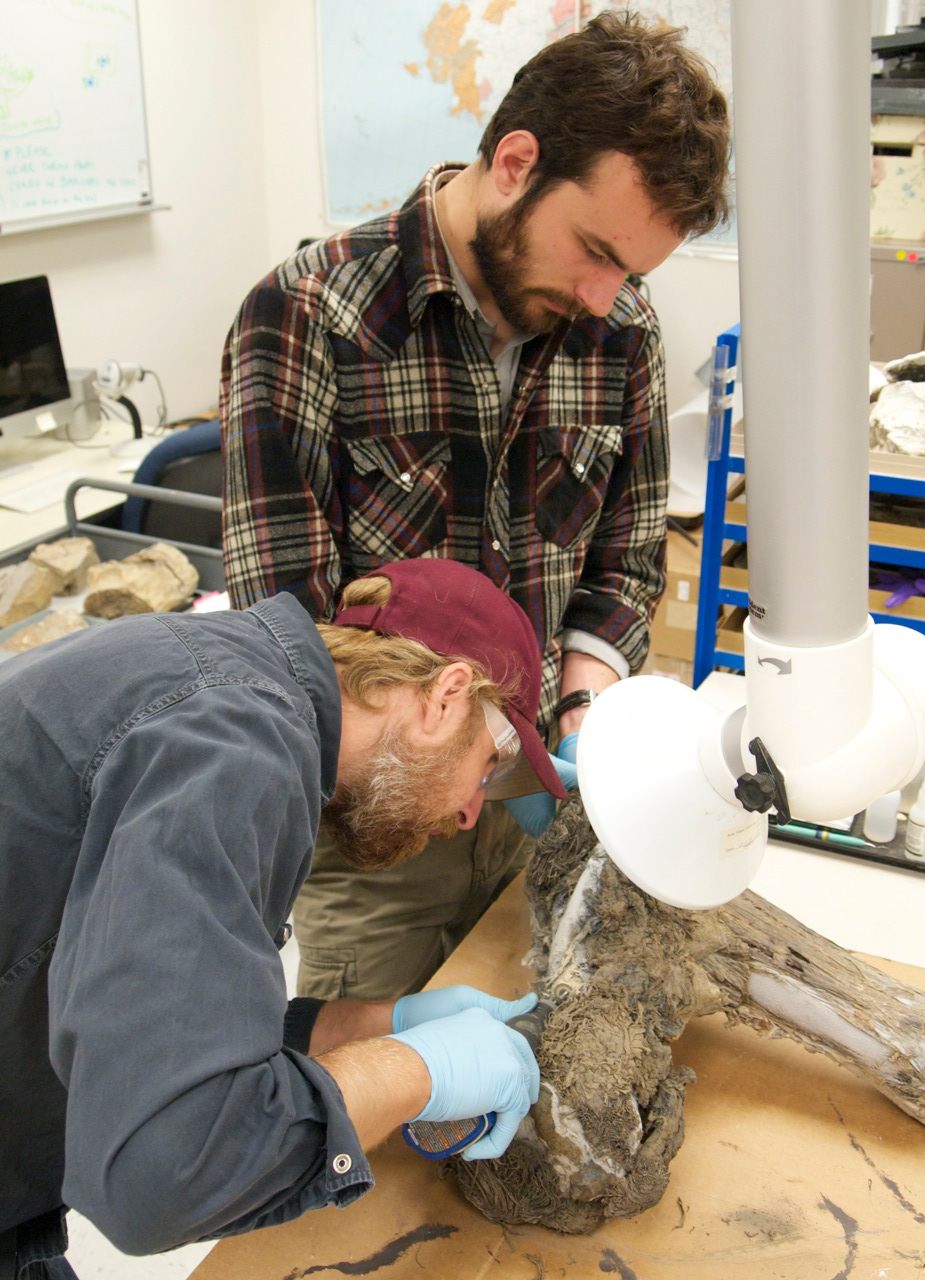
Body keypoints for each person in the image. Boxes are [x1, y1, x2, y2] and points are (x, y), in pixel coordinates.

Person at [220, 10, 730, 1001]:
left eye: (630, 269)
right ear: (515, 161)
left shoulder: (619, 328)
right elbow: (284, 632)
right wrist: (458, 750)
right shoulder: (308, 314)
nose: (601, 293)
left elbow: (625, 563)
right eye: (591, 249)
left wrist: (582, 703)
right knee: (364, 1120)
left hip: (534, 809)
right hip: (377, 838)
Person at [0, 558, 563, 1279]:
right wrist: (419, 1070)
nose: (469, 813)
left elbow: (136, 1010)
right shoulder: (238, 746)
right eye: (487, 769)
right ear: (446, 698)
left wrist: (372, 1026)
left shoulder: (223, 679)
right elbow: (163, 1171)